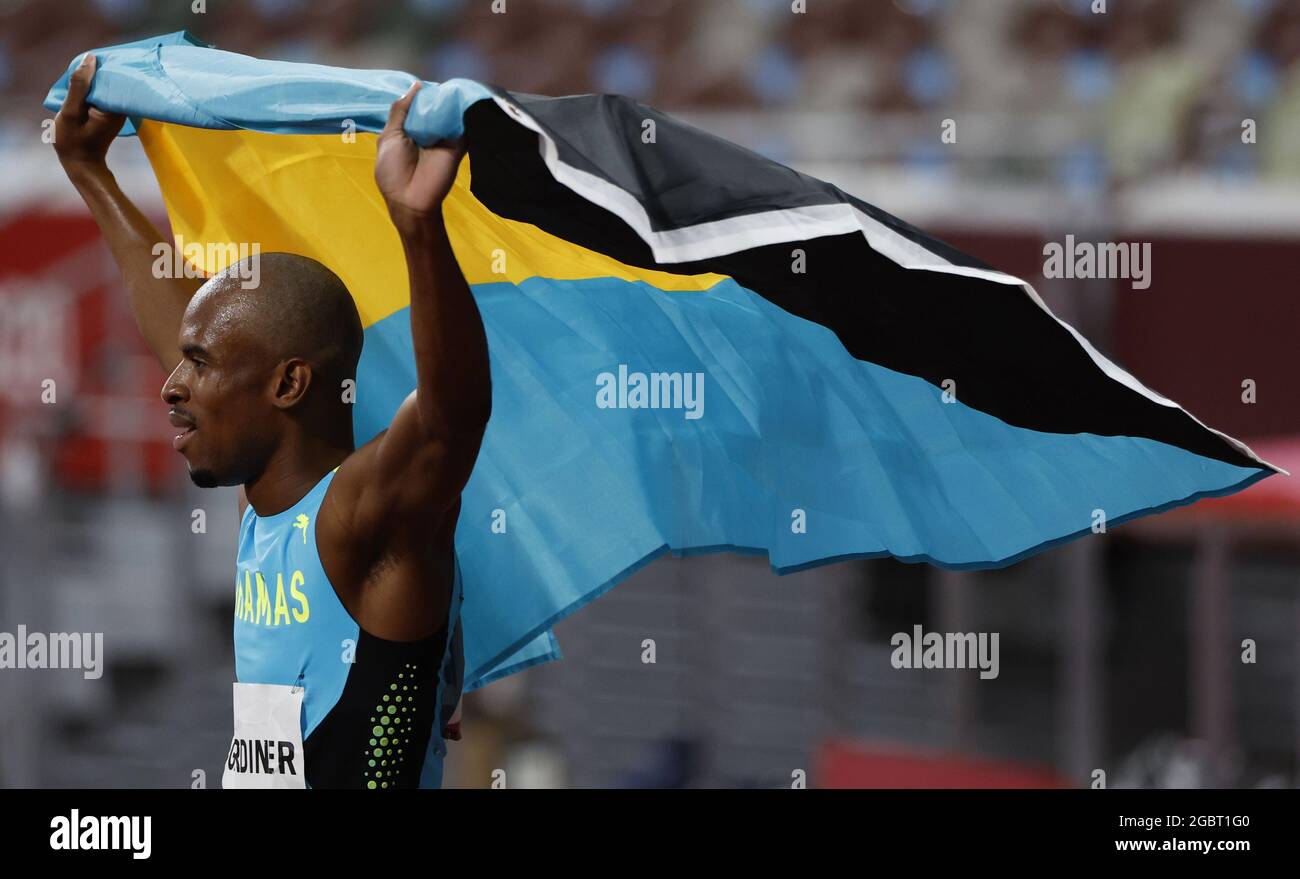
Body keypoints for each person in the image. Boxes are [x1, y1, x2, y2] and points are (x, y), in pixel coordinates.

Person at [52, 54, 484, 789]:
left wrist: (417, 226)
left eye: (200, 365)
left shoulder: (362, 517)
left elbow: (450, 418)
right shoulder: (267, 499)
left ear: (286, 384)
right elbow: (178, 318)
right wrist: (91, 172)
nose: (170, 385)